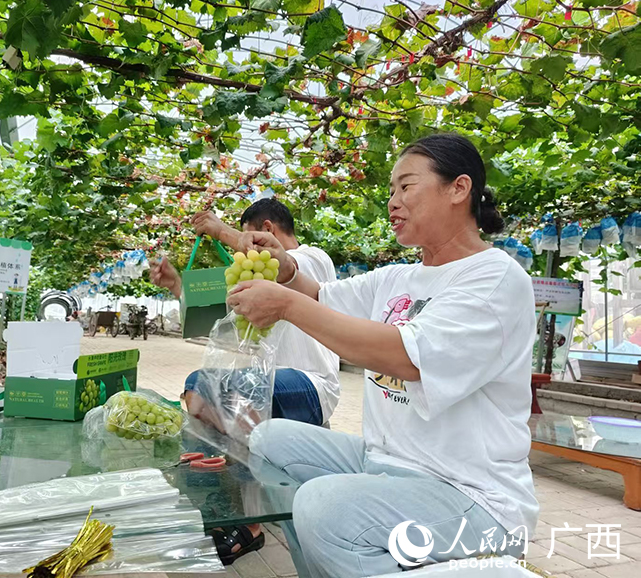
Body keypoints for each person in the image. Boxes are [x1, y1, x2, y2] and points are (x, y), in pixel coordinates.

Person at [227, 134, 538, 577]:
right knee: (268, 439)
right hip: (386, 461)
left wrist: (286, 305)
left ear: (459, 188)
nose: (393, 201)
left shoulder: (493, 278)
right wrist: (286, 268)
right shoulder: (398, 277)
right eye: (390, 190)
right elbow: (320, 296)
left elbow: (407, 358)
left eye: (406, 186)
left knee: (322, 506)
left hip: (470, 492)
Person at [150, 198, 341, 564]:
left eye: (251, 237)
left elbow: (285, 265)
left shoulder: (314, 259)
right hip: (263, 384)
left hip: (311, 386)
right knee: (209, 399)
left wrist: (220, 230)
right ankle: (232, 508)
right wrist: (177, 285)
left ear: (267, 230)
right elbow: (221, 319)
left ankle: (244, 522)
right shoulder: (260, 281)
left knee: (208, 388)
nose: (248, 246)